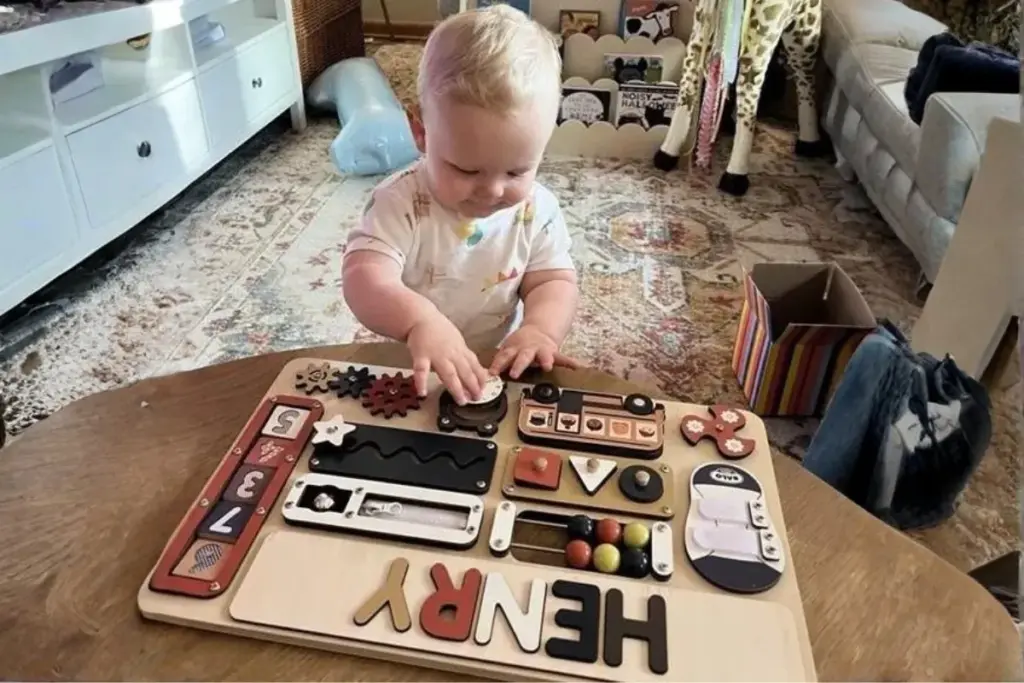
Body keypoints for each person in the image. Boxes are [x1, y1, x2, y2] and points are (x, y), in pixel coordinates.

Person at [342, 4, 580, 406]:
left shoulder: (536, 209)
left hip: (492, 361)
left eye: (517, 171)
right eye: (466, 169)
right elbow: (363, 277)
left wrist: (540, 329)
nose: (492, 190)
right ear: (420, 132)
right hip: (408, 362)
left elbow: (552, 281)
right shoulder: (401, 202)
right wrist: (419, 322)